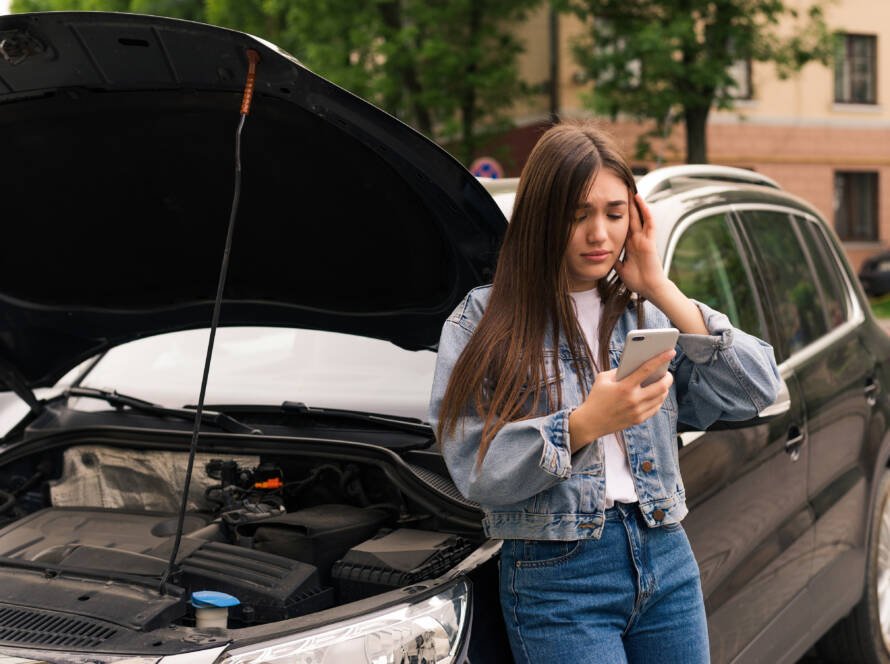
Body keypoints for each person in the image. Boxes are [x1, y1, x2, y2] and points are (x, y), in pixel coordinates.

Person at [428, 121, 780, 663]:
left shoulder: (645, 310)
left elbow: (757, 389)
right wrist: (582, 425)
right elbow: (475, 467)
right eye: (577, 216)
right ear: (542, 218)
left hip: (666, 555)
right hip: (559, 575)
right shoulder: (483, 321)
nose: (599, 235)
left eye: (615, 214)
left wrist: (659, 284)